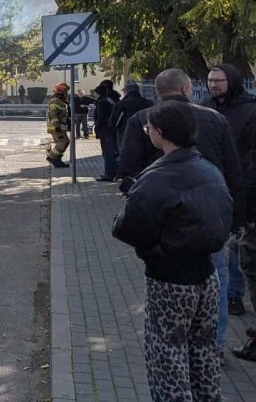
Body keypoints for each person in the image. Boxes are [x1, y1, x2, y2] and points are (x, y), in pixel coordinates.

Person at [120, 68, 246, 360]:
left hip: (165, 226)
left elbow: (126, 171)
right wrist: (235, 218)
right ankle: (212, 346)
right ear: (188, 89)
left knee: (168, 290)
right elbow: (233, 170)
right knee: (217, 278)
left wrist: (140, 214)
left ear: (157, 92)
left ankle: (175, 349)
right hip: (212, 217)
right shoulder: (215, 118)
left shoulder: (144, 120)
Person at [113, 101, 231, 401]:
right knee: (202, 350)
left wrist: (157, 247)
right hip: (208, 273)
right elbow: (224, 214)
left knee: (167, 353)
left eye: (148, 128)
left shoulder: (158, 177)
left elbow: (129, 227)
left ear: (159, 133)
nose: (147, 132)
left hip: (170, 279)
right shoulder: (208, 169)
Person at [205, 65, 256, 352]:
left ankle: (235, 297)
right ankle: (233, 298)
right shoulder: (205, 109)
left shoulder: (249, 109)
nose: (213, 85)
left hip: (244, 189)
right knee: (233, 254)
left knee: (242, 253)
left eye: (218, 81)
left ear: (232, 81)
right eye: (210, 81)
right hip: (215, 189)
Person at [113, 82, 154, 147]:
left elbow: (114, 121)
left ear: (126, 91)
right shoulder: (148, 103)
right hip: (146, 134)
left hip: (126, 134)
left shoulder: (121, 104)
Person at [94, 82, 119, 182]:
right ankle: (114, 172)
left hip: (105, 131)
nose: (94, 95)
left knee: (108, 153)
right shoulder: (109, 100)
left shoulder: (101, 102)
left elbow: (101, 118)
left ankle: (109, 174)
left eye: (95, 93)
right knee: (112, 152)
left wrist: (97, 128)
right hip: (111, 130)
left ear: (98, 93)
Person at [46, 82, 72, 168]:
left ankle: (57, 159)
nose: (67, 94)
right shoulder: (55, 101)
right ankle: (52, 157)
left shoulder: (61, 101)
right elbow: (53, 114)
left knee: (65, 142)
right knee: (62, 142)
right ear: (61, 92)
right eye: (66, 92)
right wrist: (57, 126)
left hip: (60, 127)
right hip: (56, 127)